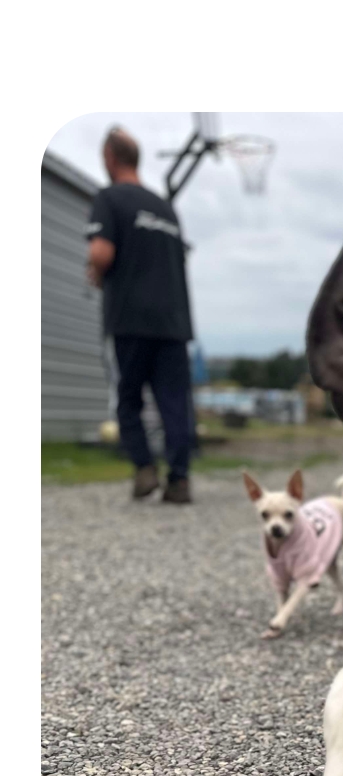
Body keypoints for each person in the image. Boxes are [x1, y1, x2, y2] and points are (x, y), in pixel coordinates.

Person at [85, 126, 196, 502]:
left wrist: (95, 273)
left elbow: (101, 252)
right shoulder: (166, 208)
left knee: (129, 399)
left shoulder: (109, 198)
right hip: (174, 321)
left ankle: (145, 469)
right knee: (174, 403)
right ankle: (179, 480)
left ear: (109, 158)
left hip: (130, 319)